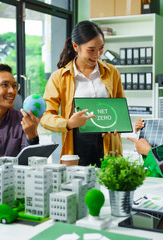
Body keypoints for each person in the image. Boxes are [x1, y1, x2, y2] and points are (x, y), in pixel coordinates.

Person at [40, 20, 124, 167]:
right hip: (77, 146)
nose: (97, 55)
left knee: (110, 186)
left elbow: (120, 108)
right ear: (75, 46)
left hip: (108, 145)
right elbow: (45, 116)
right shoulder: (59, 77)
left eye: (101, 49)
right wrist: (68, 123)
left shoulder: (112, 73)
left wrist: (118, 124)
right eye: (91, 50)